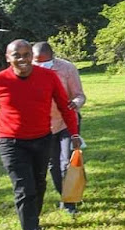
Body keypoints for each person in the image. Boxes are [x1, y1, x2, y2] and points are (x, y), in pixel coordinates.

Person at [0, 40, 81, 230]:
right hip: (11, 142)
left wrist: (74, 132)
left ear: (31, 56)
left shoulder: (48, 77)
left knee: (39, 185)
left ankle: (33, 218)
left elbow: (64, 105)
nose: (22, 59)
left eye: (26, 55)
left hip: (42, 138)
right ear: (8, 57)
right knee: (24, 189)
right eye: (17, 55)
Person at [32, 42, 86, 215]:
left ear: (52, 57)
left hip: (66, 121)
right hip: (44, 125)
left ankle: (69, 202)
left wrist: (74, 103)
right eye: (36, 61)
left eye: (44, 61)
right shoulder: (28, 71)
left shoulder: (67, 69)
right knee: (53, 165)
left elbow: (79, 95)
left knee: (66, 163)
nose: (39, 65)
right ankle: (64, 194)